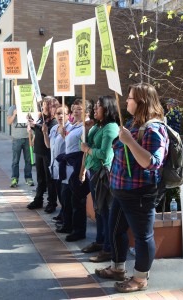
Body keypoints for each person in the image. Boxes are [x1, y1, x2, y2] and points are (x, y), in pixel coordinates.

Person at [95, 83, 169, 293]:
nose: (126, 101)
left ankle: (140, 278)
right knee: (115, 229)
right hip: (122, 191)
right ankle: (118, 268)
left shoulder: (154, 128)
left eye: (129, 98)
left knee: (142, 236)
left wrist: (129, 142)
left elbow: (152, 162)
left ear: (142, 102)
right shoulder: (134, 123)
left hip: (139, 193)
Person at [80, 96, 119, 262]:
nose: (94, 110)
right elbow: (88, 143)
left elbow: (105, 153)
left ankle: (108, 248)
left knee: (105, 211)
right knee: (98, 210)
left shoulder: (110, 127)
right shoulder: (98, 125)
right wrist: (88, 131)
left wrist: (88, 150)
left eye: (98, 107)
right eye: (94, 107)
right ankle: (100, 241)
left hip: (102, 174)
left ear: (107, 109)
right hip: (93, 172)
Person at [56, 99, 90, 242]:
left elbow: (84, 149)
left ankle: (78, 230)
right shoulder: (75, 126)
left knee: (77, 201)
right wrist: (64, 135)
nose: (75, 111)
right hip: (70, 167)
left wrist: (82, 170)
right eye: (74, 108)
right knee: (68, 198)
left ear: (86, 112)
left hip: (79, 167)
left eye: (79, 109)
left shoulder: (86, 127)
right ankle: (68, 225)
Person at [27, 96, 60, 212]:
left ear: (52, 106)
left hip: (47, 153)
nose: (43, 106)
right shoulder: (42, 118)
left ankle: (52, 202)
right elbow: (38, 129)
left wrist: (35, 125)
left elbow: (49, 130)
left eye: (46, 104)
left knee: (49, 178)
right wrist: (32, 124)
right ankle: (38, 199)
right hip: (39, 151)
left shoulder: (54, 121)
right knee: (40, 178)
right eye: (43, 104)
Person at [42, 104, 72, 223]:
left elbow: (71, 146)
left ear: (68, 115)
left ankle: (66, 219)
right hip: (54, 167)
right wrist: (45, 133)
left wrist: (63, 135)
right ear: (54, 115)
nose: (60, 116)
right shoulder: (54, 128)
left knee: (65, 195)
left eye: (63, 113)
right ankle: (63, 214)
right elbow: (48, 145)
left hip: (65, 168)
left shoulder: (70, 128)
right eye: (58, 113)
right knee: (60, 194)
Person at [7, 104, 34, 188]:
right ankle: (14, 178)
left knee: (28, 160)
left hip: (28, 138)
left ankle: (28, 178)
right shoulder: (12, 108)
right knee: (15, 160)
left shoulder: (30, 107)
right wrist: (14, 114)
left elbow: (35, 122)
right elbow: (8, 122)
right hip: (17, 138)